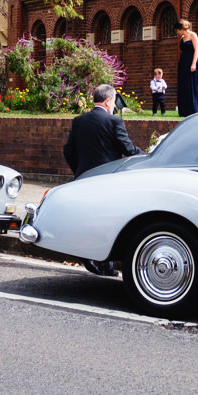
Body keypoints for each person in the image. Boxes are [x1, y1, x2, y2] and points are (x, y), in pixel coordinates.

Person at [63, 83, 145, 278]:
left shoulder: (79, 121)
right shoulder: (114, 122)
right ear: (108, 101)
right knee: (106, 221)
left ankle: (90, 258)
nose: (114, 106)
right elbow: (128, 148)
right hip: (107, 181)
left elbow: (68, 151)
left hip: (84, 178)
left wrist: (80, 171)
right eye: (113, 102)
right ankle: (104, 263)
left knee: (86, 219)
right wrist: (148, 156)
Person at [175, 19, 198, 116]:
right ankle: (184, 110)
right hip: (183, 63)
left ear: (181, 29)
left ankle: (193, 109)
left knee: (191, 85)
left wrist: (193, 64)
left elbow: (196, 50)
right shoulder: (182, 37)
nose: (177, 32)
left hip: (191, 62)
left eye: (177, 30)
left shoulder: (193, 35)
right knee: (183, 86)